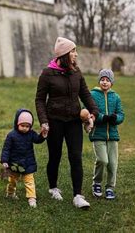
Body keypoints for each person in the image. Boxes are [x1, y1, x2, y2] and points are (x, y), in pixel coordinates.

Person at [35, 37, 98, 209]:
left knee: (76, 157)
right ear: (64, 54)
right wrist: (44, 121)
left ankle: (78, 195)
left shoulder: (76, 72)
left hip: (73, 121)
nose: (76, 54)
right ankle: (53, 187)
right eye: (73, 51)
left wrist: (93, 113)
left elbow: (86, 95)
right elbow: (40, 100)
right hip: (54, 121)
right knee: (55, 156)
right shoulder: (47, 73)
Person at [0, 109, 48, 208]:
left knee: (29, 181)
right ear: (17, 123)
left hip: (28, 162)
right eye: (22, 126)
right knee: (12, 180)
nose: (25, 128)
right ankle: (10, 193)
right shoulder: (11, 135)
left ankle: (32, 198)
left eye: (27, 126)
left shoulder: (31, 134)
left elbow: (37, 140)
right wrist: (4, 160)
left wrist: (42, 136)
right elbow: (6, 149)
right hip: (14, 163)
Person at [89, 69, 125, 200]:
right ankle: (96, 183)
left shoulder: (116, 97)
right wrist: (102, 118)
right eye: (102, 79)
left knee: (113, 163)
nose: (104, 82)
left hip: (113, 135)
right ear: (99, 81)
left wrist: (116, 118)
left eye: (107, 80)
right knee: (103, 160)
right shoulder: (92, 94)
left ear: (111, 83)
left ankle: (110, 187)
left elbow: (121, 114)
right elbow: (88, 112)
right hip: (98, 133)